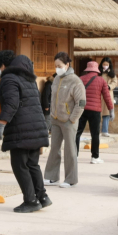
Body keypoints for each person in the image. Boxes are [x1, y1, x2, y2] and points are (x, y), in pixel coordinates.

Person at [0, 52, 52, 213]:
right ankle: (42, 197)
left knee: (20, 165)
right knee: (32, 164)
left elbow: (11, 104)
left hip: (21, 129)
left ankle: (31, 201)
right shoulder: (29, 79)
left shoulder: (9, 78)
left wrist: (1, 124)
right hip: (36, 128)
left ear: (3, 65)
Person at [43, 52, 86, 188]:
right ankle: (51, 177)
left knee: (70, 150)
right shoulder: (56, 79)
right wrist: (51, 115)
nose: (57, 68)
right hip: (55, 119)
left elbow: (81, 103)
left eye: (59, 66)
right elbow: (52, 98)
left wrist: (72, 118)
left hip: (69, 121)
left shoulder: (75, 81)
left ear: (67, 65)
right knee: (54, 148)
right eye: (55, 66)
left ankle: (70, 179)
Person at [75, 61, 114, 164]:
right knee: (95, 134)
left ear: (87, 69)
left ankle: (74, 155)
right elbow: (107, 97)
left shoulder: (80, 79)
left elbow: (75, 94)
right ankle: (95, 157)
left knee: (77, 132)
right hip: (95, 110)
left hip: (81, 109)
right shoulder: (101, 80)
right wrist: (111, 109)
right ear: (97, 70)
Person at [99, 57, 118, 137]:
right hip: (99, 94)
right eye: (104, 64)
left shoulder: (112, 74)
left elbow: (115, 82)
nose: (105, 66)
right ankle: (96, 130)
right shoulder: (98, 72)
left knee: (106, 114)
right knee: (98, 113)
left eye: (107, 64)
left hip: (108, 94)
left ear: (109, 65)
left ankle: (104, 130)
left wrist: (109, 86)